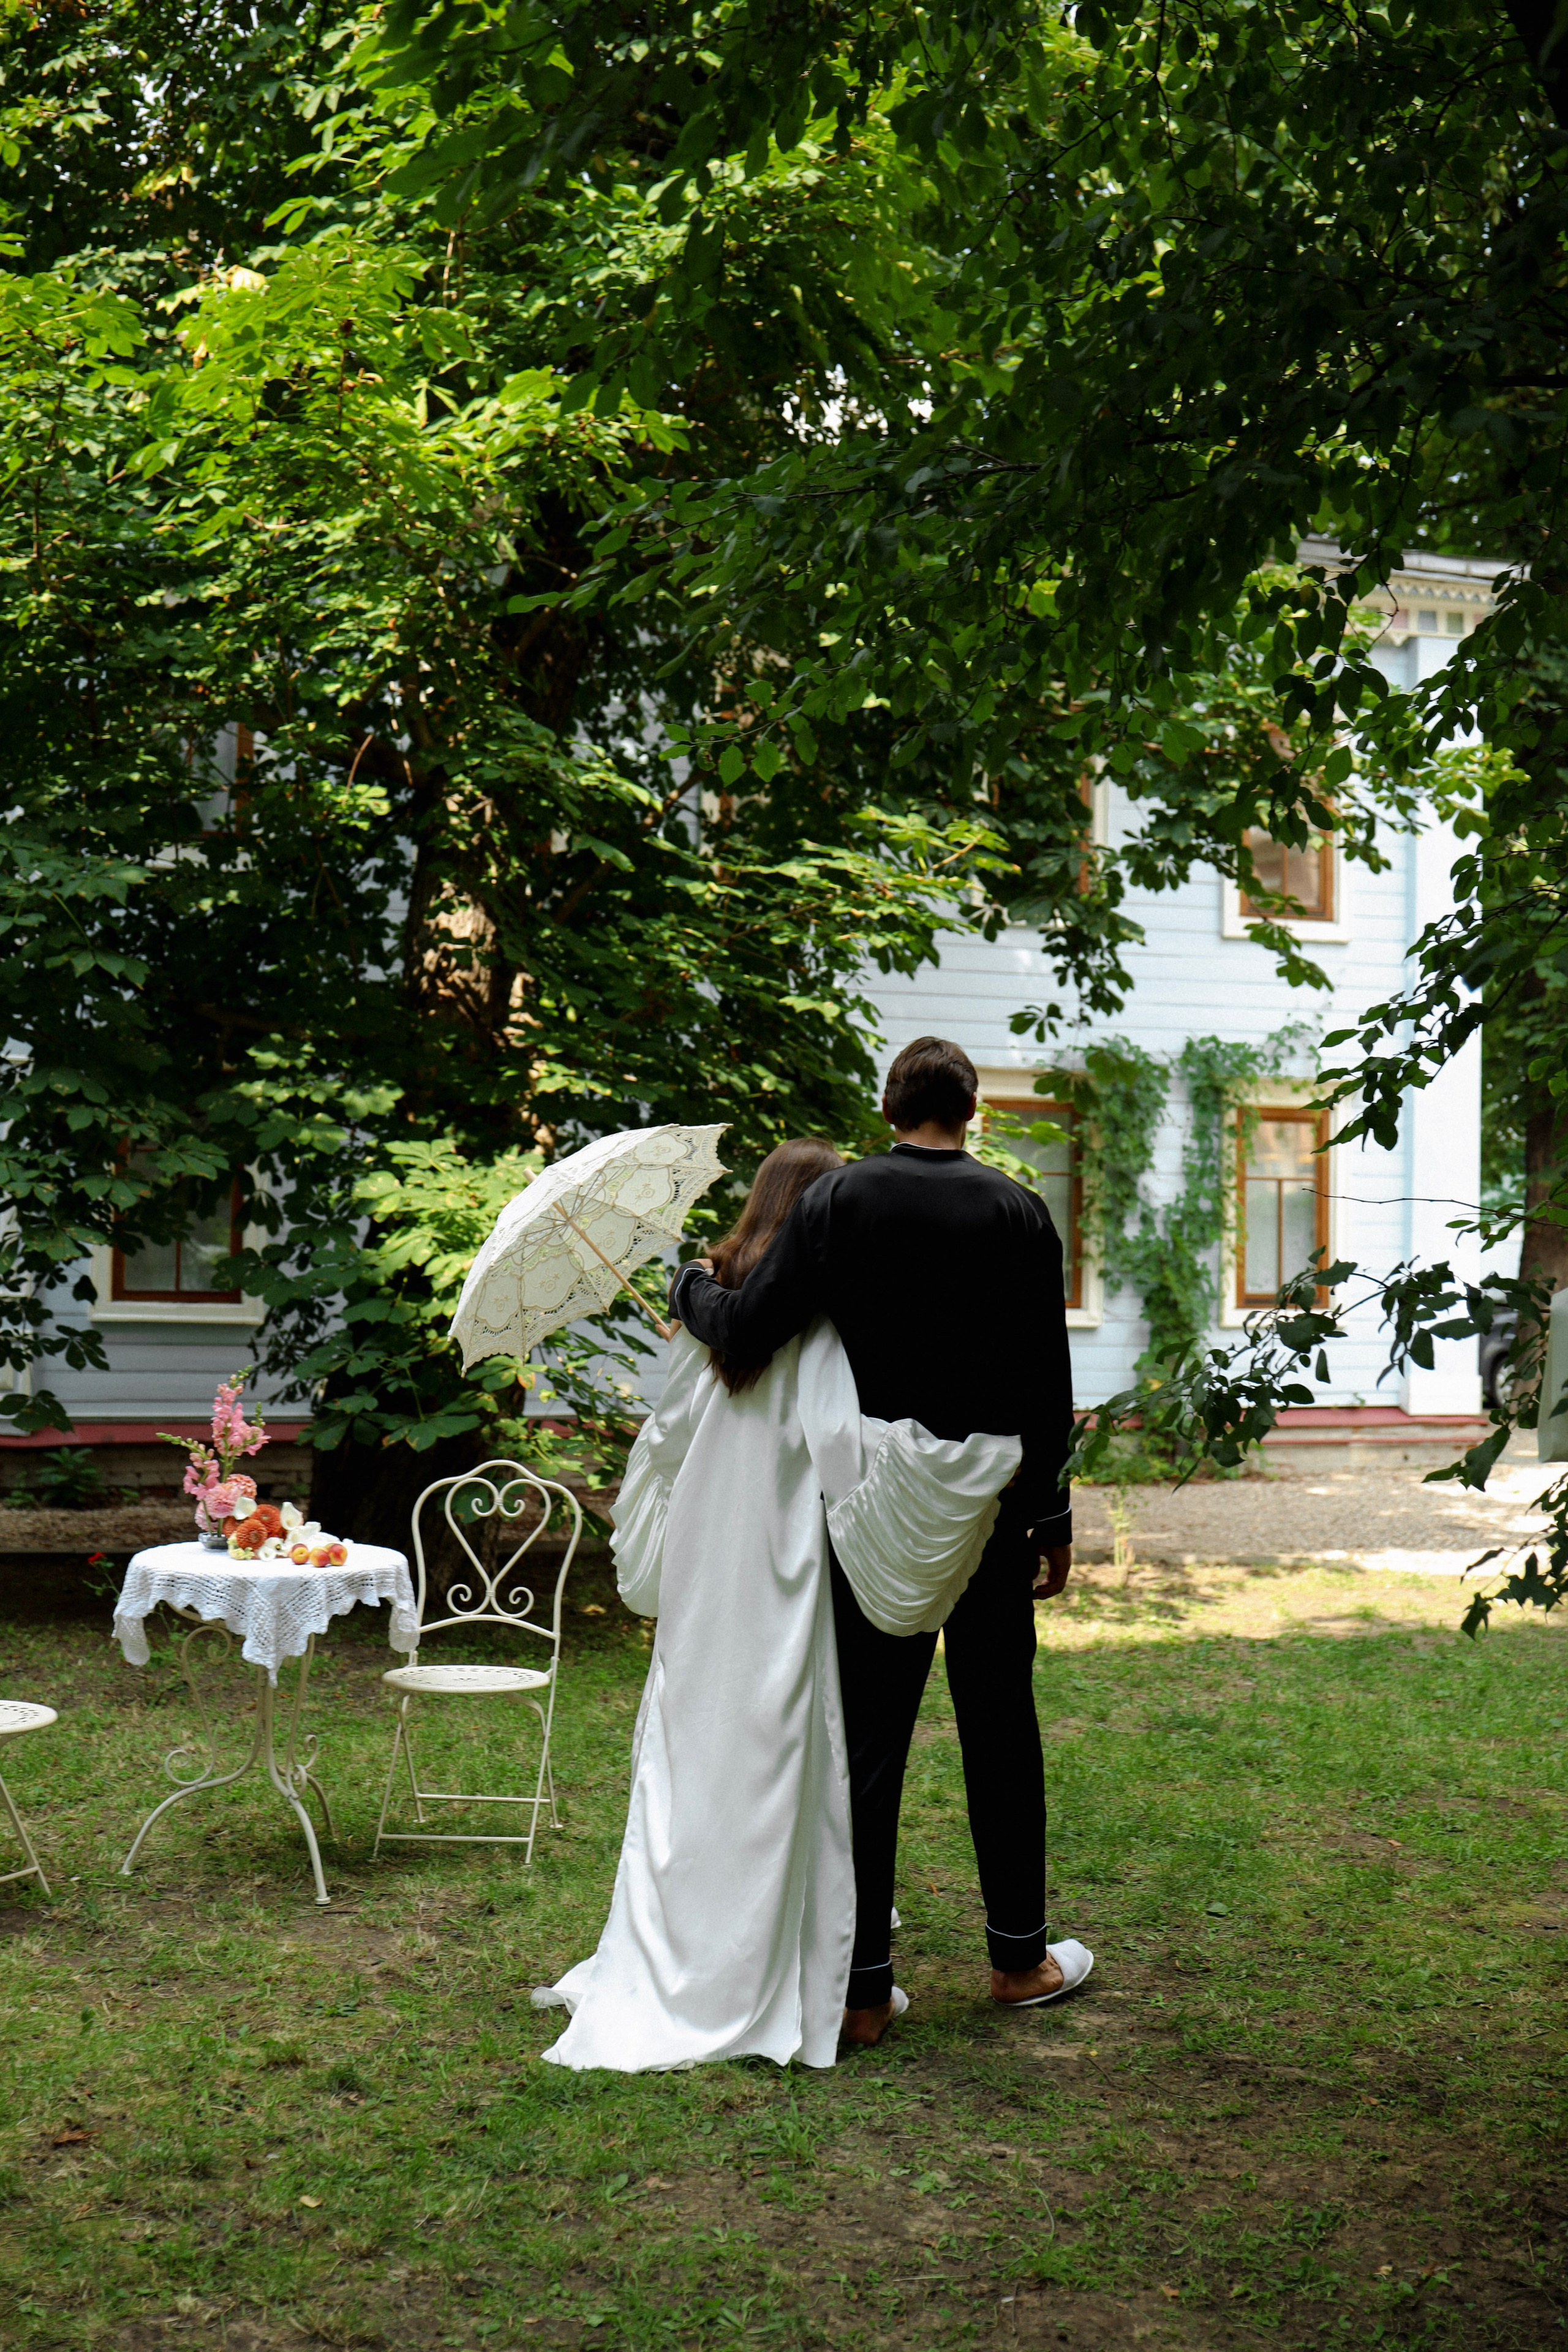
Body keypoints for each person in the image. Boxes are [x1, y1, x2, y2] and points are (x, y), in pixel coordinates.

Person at [534, 1133, 1035, 2071]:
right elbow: (845, 1460)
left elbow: (664, 1448)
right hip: (780, 1581)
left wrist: (688, 1303)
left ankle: (673, 1939)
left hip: (703, 1578)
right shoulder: (816, 1333)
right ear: (813, 1219)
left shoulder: (711, 1316)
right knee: (779, 1766)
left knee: (695, 1759)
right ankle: (769, 1961)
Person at [669, 1036, 1089, 2047]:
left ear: (888, 1105)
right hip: (986, 1507)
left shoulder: (836, 1201)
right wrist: (1054, 1519)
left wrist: (688, 1289)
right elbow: (1046, 1380)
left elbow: (752, 1326)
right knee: (1001, 1726)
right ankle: (1018, 1958)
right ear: (972, 1109)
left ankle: (861, 1990)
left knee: (868, 1745)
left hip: (868, 1511)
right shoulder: (1018, 1211)